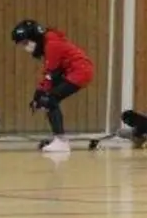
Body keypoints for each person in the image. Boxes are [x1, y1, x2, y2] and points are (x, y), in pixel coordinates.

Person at [12, 19, 93, 153]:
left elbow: (51, 74)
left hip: (79, 72)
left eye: (25, 43)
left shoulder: (52, 45)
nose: (25, 48)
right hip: (75, 71)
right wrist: (39, 93)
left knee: (49, 100)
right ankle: (58, 138)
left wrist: (40, 95)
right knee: (48, 99)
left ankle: (60, 141)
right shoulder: (49, 42)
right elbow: (50, 74)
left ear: (35, 38)